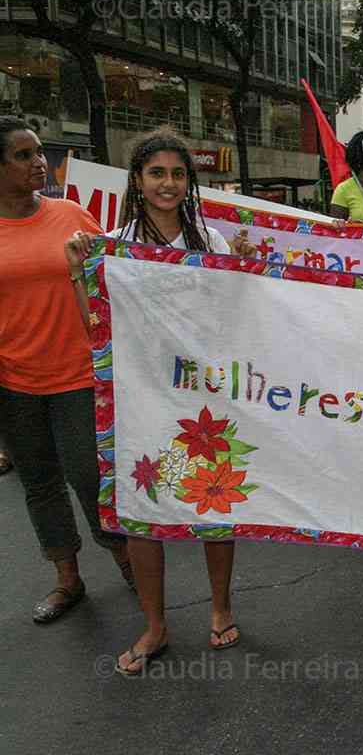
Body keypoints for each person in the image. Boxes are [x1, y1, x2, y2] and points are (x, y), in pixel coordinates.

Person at [64, 128, 255, 675]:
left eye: (177, 174)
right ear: (138, 180)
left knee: (215, 504)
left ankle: (221, 608)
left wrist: (242, 268)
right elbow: (94, 327)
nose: (168, 184)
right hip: (141, 398)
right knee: (143, 514)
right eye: (157, 173)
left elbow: (237, 318)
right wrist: (79, 270)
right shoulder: (116, 245)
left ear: (189, 182)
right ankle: (155, 625)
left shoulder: (212, 244)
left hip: (204, 403)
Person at [0, 116, 131, 624]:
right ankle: (67, 580)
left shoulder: (70, 214)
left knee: (90, 476)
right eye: (23, 155)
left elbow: (118, 271)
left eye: (39, 153)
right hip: (14, 384)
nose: (38, 163)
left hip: (79, 377)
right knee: (40, 483)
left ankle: (128, 563)